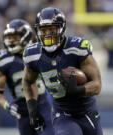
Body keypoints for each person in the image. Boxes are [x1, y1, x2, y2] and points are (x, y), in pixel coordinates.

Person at [22, 7, 103, 135]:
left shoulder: (77, 48)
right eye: (43, 30)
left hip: (87, 111)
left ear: (62, 29)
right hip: (62, 113)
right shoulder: (32, 54)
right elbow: (27, 81)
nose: (47, 34)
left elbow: (97, 85)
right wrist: (32, 109)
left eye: (51, 29)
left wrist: (77, 90)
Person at [0, 19, 54, 135]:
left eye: (15, 37)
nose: (11, 41)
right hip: (21, 107)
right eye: (9, 37)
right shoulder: (3, 60)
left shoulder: (39, 52)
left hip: (42, 104)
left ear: (26, 36)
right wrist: (8, 105)